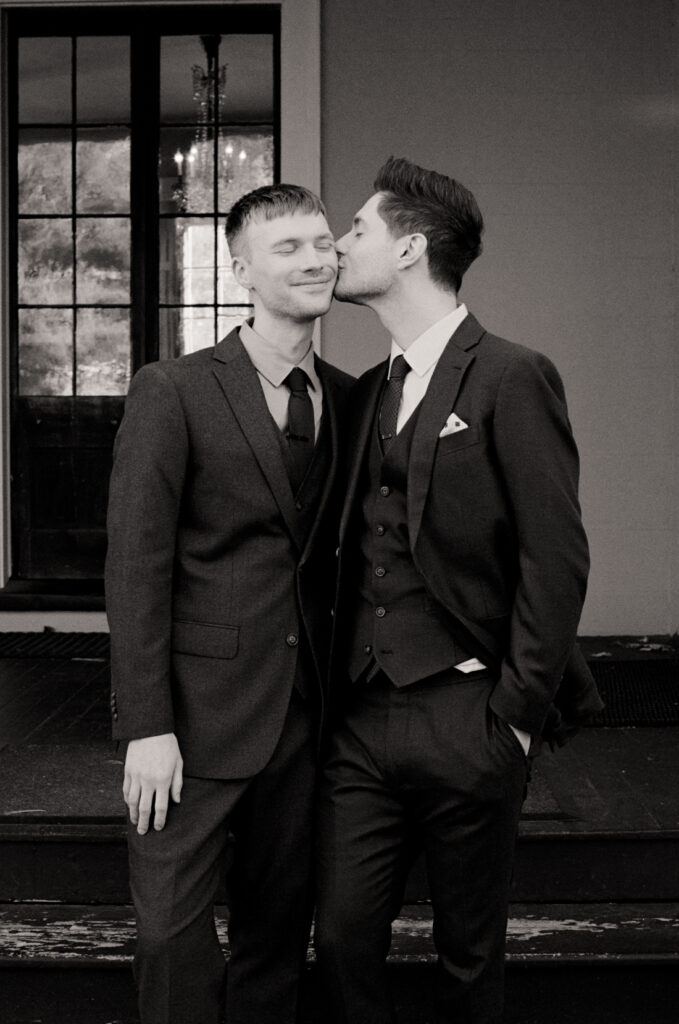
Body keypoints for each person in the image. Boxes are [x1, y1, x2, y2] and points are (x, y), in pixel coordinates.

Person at [314, 157, 603, 1024]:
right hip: (361, 721)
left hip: (468, 712)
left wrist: (513, 718)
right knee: (341, 938)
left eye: (357, 228)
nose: (339, 242)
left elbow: (556, 560)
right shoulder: (367, 394)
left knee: (468, 956)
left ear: (409, 248)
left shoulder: (512, 375)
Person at [105, 183, 353, 1024]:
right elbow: (136, 565)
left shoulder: (352, 400)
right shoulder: (171, 390)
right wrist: (146, 722)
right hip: (192, 720)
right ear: (240, 269)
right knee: (171, 938)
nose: (316, 258)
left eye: (323, 242)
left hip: (305, 718)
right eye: (288, 248)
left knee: (276, 940)